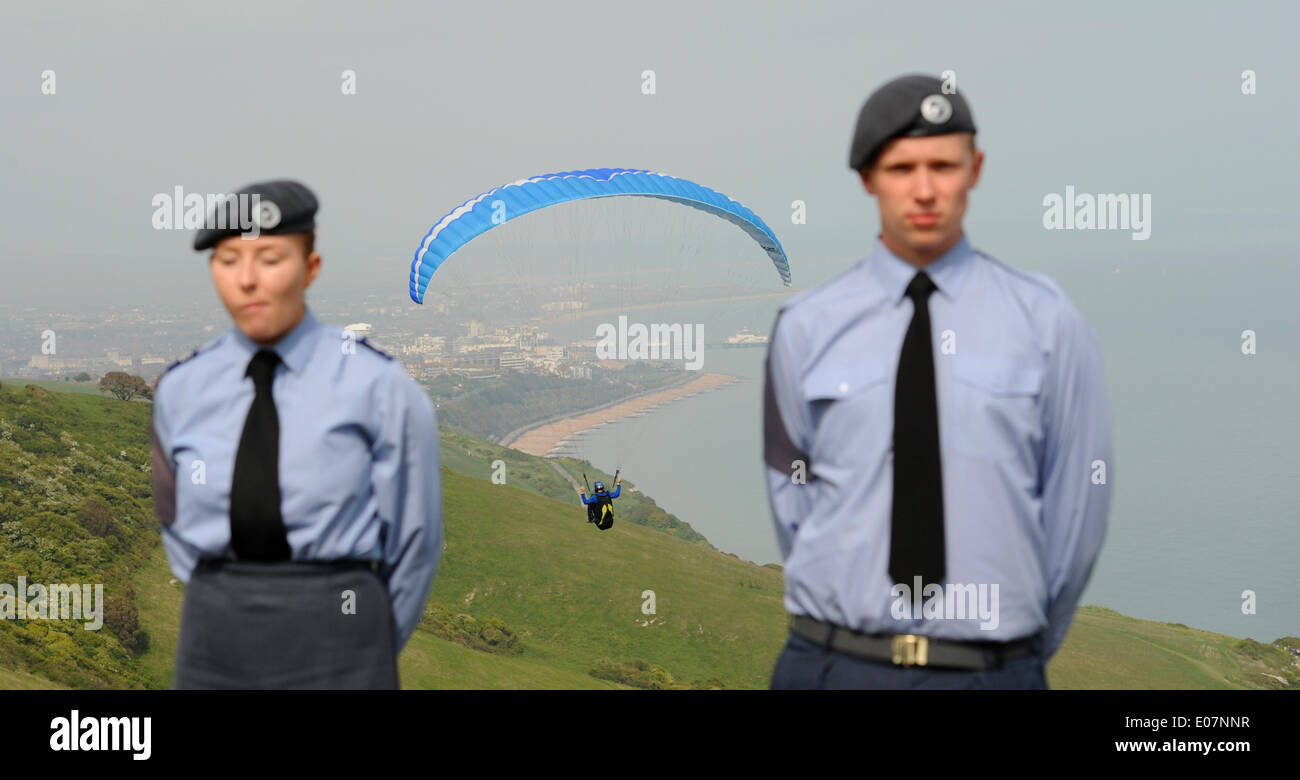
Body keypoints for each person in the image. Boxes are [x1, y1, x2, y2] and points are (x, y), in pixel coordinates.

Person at [763, 74, 1113, 689]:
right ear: (868, 178)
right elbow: (792, 504)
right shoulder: (804, 328)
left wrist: (1016, 651)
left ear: (975, 170)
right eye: (901, 168)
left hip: (990, 671)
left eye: (943, 166)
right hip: (831, 667)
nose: (924, 190)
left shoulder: (1048, 321)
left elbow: (1076, 511)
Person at [150, 179, 442, 689]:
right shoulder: (182, 388)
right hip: (211, 645)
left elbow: (416, 542)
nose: (246, 280)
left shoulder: (379, 386)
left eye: (269, 258)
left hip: (343, 635)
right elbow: (173, 521)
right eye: (226, 259)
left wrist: (367, 648)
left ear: (311, 269)